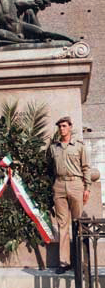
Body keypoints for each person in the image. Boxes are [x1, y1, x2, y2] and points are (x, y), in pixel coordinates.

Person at [47, 116, 91, 274]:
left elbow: (86, 167)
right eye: (59, 126)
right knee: (62, 225)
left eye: (64, 126)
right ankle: (64, 262)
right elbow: (50, 168)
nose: (61, 129)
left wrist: (87, 188)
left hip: (76, 185)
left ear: (70, 127)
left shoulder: (79, 146)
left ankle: (81, 261)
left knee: (78, 223)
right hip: (59, 186)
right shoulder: (53, 148)